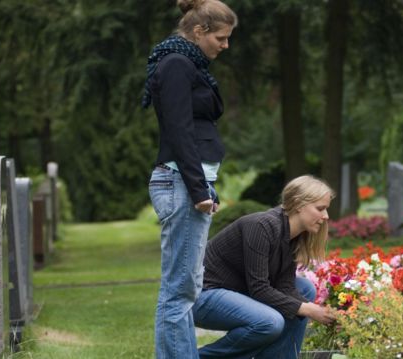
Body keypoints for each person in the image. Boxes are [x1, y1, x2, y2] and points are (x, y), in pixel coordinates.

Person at [142, 0, 237, 358]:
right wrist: (199, 190)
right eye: (221, 38)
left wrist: (204, 187)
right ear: (199, 32)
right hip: (181, 181)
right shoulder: (177, 64)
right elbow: (179, 130)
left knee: (186, 285)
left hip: (190, 182)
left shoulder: (187, 63)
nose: (225, 45)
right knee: (179, 289)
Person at [192, 175, 338, 359]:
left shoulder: (293, 235)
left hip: (237, 293)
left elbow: (285, 287)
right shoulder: (262, 226)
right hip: (202, 296)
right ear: (299, 205)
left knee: (305, 289)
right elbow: (259, 289)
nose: (326, 216)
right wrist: (308, 310)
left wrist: (320, 312)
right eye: (320, 209)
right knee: (269, 322)